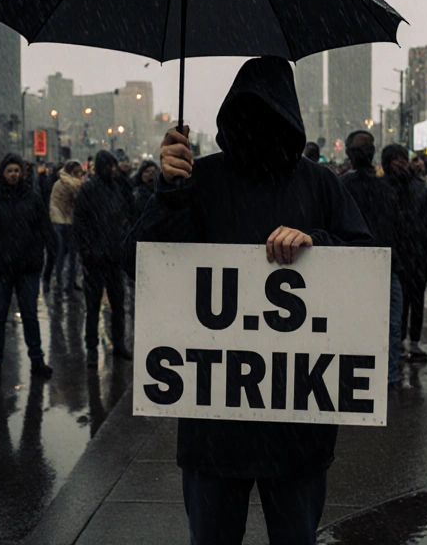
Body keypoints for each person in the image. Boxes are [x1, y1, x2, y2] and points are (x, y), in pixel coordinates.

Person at [126, 57, 371, 544]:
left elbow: (365, 265)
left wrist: (315, 243)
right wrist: (169, 192)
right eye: (248, 114)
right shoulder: (198, 179)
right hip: (216, 422)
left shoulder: (319, 183)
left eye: (269, 116)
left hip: (297, 418)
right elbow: (142, 265)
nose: (258, 127)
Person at [0, 153, 58, 385]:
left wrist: (50, 251)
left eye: (16, 171)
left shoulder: (32, 198)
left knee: (30, 315)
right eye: (9, 171)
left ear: (22, 173)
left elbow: (44, 227)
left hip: (27, 267)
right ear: (2, 173)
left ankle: (37, 361)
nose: (13, 175)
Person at [339, 130, 403, 387]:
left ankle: (355, 376)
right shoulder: (387, 188)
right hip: (383, 265)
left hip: (354, 266)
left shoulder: (341, 187)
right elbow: (401, 228)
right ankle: (387, 377)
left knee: (352, 325)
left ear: (348, 155)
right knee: (389, 326)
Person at [74, 150, 136, 363]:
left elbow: (129, 209)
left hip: (113, 255)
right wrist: (87, 250)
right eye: (110, 166)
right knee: (93, 306)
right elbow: (80, 221)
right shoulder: (89, 189)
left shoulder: (117, 187)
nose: (113, 170)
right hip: (95, 257)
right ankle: (91, 348)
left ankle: (119, 344)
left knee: (117, 304)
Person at [383, 144, 427, 363]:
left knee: (416, 300)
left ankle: (413, 341)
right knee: (398, 304)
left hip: (416, 255)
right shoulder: (383, 189)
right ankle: (400, 342)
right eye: (396, 159)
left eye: (403, 159)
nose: (401, 163)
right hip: (395, 257)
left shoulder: (420, 189)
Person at [48, 160, 85, 293]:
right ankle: (64, 281)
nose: (79, 174)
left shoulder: (63, 180)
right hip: (61, 219)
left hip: (65, 218)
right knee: (65, 252)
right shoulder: (68, 182)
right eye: (76, 171)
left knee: (65, 252)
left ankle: (65, 280)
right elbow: (79, 190)